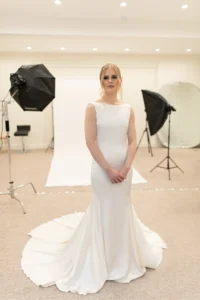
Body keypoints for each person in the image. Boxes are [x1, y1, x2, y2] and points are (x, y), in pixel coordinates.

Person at [21, 63, 167, 295]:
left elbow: (131, 140)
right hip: (102, 170)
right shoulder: (93, 108)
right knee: (103, 208)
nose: (110, 80)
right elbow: (90, 141)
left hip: (124, 170)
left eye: (114, 76)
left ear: (120, 80)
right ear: (101, 81)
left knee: (121, 208)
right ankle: (100, 259)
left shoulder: (128, 108)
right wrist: (108, 169)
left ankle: (123, 256)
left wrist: (127, 166)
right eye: (106, 77)